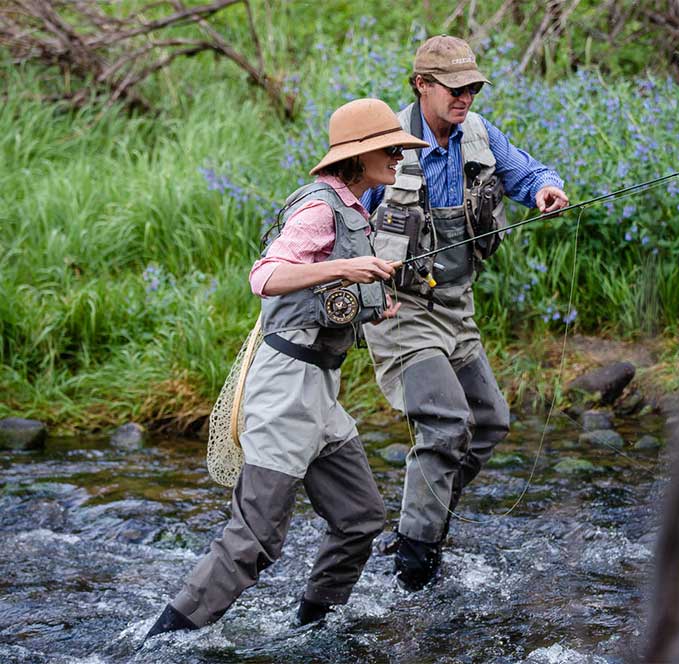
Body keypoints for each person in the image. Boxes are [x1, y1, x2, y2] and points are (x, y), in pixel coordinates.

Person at [143, 98, 429, 642]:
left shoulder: (357, 209)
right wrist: (347, 267)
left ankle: (310, 629)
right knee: (253, 541)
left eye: (400, 146)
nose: (399, 155)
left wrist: (376, 300)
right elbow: (266, 275)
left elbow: (324, 298)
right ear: (359, 155)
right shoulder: (320, 208)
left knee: (361, 519)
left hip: (320, 390)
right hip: (283, 391)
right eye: (390, 148)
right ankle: (159, 645)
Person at [360, 35, 570, 590]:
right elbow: (344, 221)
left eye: (473, 87)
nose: (466, 97)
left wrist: (547, 190)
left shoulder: (479, 134)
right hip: (399, 311)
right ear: (422, 85)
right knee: (447, 423)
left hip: (457, 309)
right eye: (455, 88)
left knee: (491, 421)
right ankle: (414, 563)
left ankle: (417, 526)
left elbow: (527, 173)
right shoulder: (387, 146)